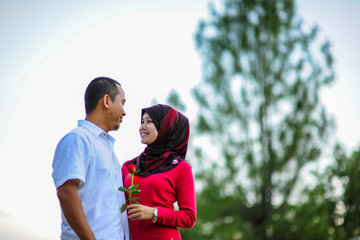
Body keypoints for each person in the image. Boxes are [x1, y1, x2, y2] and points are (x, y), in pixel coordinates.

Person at [52, 77, 129, 240]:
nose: (124, 111)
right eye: (122, 102)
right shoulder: (78, 139)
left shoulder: (108, 150)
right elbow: (66, 192)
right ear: (107, 100)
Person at [121, 104, 196, 240]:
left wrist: (154, 213)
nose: (142, 127)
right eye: (142, 122)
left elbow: (189, 217)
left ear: (165, 127)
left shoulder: (181, 167)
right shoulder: (129, 166)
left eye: (149, 121)